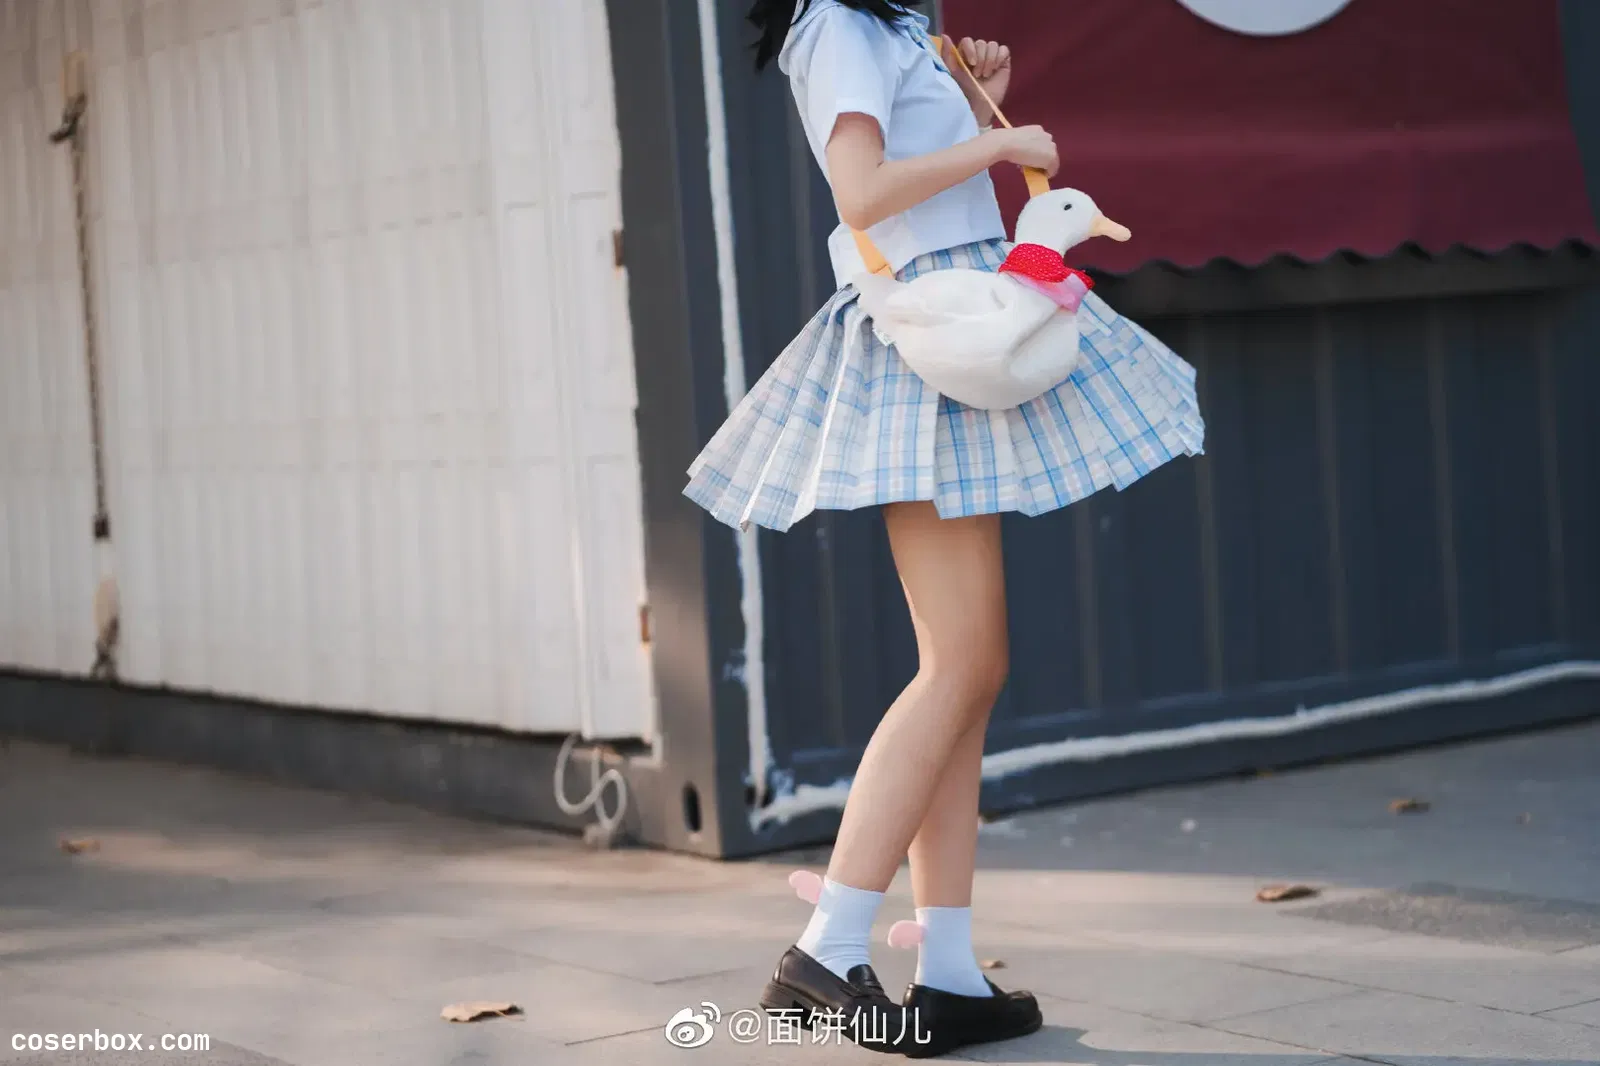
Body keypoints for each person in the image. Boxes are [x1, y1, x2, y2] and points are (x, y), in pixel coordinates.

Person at [685, 0, 1205, 1056]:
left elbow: (915, 177)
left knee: (969, 668)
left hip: (960, 318)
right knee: (960, 667)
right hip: (926, 330)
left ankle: (951, 969)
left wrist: (976, 111)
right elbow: (862, 194)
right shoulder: (835, 23)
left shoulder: (891, 27)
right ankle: (827, 944)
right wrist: (998, 144)